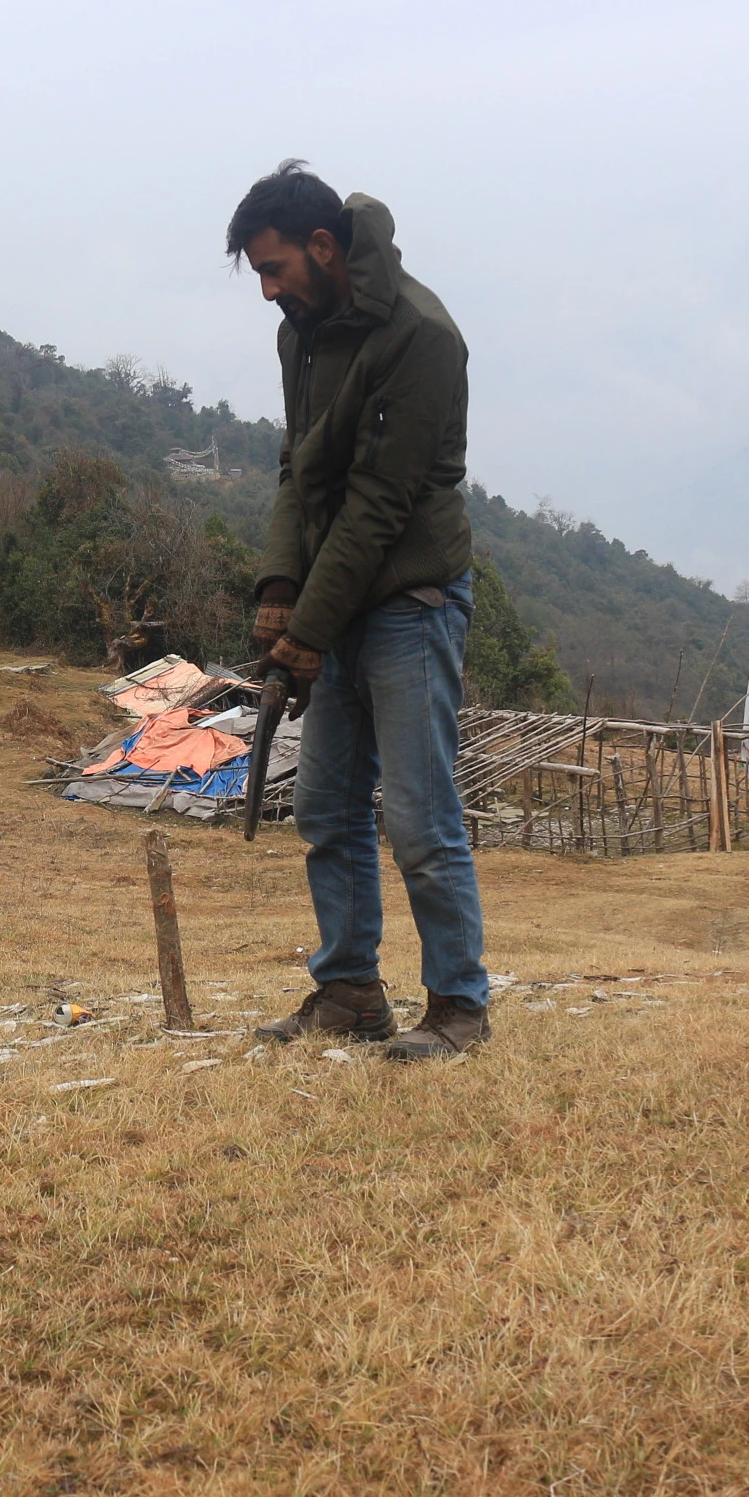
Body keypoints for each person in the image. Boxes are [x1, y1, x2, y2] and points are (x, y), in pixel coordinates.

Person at [230, 161, 491, 1062]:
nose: (267, 292)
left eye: (276, 270)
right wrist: (277, 591)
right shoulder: (299, 333)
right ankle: (349, 992)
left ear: (324, 247)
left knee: (420, 816)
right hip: (334, 603)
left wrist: (308, 631)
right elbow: (298, 472)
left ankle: (458, 1007)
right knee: (327, 809)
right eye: (257, 276)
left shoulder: (420, 336)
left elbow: (380, 505)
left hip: (410, 599)